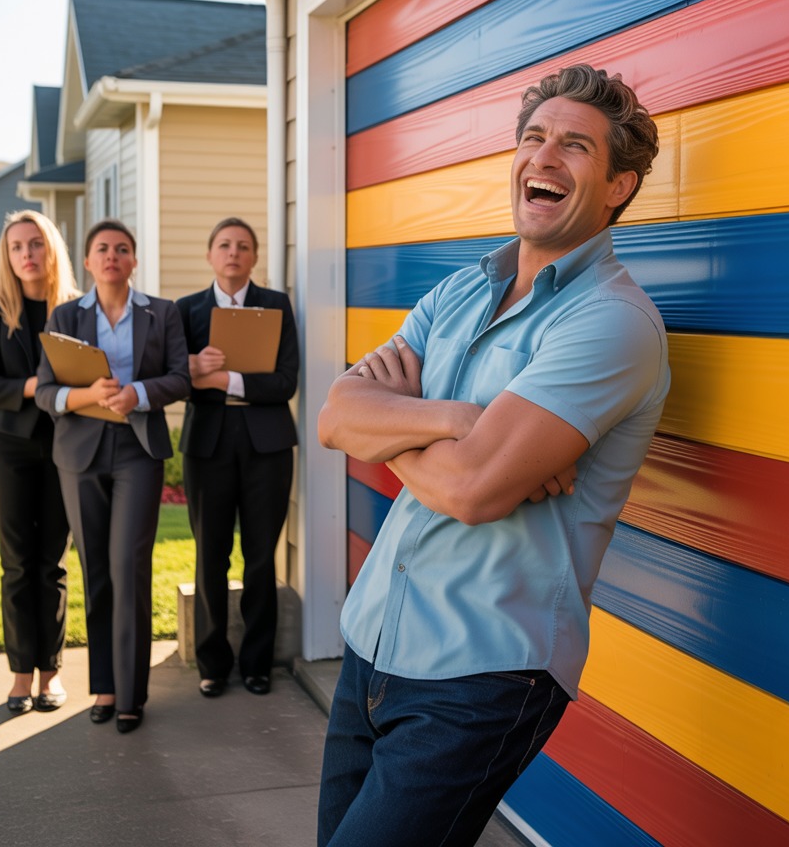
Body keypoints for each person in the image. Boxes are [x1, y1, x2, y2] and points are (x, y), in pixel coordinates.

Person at [316, 64, 671, 846]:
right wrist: (457, 419)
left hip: (479, 674)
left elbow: (473, 488)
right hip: (372, 640)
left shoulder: (612, 322)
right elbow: (335, 415)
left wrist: (396, 421)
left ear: (618, 186)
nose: (544, 157)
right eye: (533, 138)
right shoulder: (456, 293)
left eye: (575, 146)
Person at [35, 219, 189, 733]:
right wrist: (88, 395)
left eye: (122, 249)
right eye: (102, 249)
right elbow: (45, 393)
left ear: (133, 260)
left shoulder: (162, 312)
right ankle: (104, 686)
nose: (111, 256)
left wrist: (136, 393)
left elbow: (180, 378)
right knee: (95, 571)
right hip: (79, 454)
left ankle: (131, 693)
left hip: (138, 451)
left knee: (129, 567)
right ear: (87, 261)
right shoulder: (64, 317)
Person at [175, 217, 299, 698]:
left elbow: (284, 382)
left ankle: (257, 663)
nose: (233, 252)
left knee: (261, 556)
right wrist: (191, 368)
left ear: (254, 257)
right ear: (210, 255)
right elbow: (171, 379)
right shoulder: (186, 310)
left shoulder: (276, 305)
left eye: (243, 246)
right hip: (207, 445)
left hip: (267, 445)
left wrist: (224, 380)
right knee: (210, 554)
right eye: (224, 245)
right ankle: (212, 663)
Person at [0, 210, 80, 715]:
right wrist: (37, 387)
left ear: (51, 248)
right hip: (9, 449)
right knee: (16, 564)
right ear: (7, 256)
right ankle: (19, 675)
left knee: (52, 563)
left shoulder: (76, 310)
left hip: (65, 447)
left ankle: (50, 674)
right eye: (16, 247)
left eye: (35, 243)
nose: (27, 254)